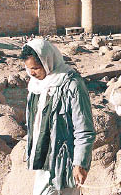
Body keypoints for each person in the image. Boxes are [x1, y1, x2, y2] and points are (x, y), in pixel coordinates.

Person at [20, 38, 95, 195]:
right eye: (29, 69)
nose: (31, 73)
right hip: (43, 160)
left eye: (36, 68)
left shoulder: (72, 85)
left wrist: (80, 163)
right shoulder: (35, 86)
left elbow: (84, 129)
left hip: (65, 164)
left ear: (48, 61)